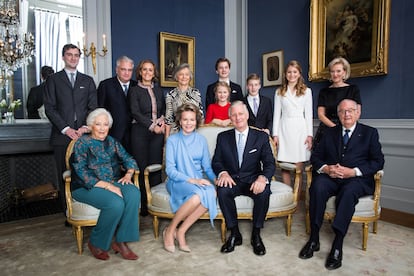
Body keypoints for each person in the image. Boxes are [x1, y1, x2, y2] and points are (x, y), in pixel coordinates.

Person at [299, 99, 384, 270]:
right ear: (338, 114)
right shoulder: (330, 132)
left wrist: (354, 172)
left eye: (350, 110)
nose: (346, 114)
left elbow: (378, 162)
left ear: (358, 112)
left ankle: (337, 243)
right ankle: (314, 238)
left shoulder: (370, 133)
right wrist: (326, 168)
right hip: (331, 176)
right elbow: (315, 157)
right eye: (342, 111)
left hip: (356, 180)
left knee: (348, 192)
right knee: (317, 186)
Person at [70, 108, 140, 261]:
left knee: (133, 193)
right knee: (115, 203)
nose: (102, 128)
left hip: (113, 181)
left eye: (105, 124)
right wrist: (108, 186)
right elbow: (81, 172)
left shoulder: (112, 142)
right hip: (86, 187)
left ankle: (121, 241)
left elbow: (129, 159)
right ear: (90, 126)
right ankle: (96, 243)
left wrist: (128, 174)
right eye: (98, 124)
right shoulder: (82, 143)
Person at [212, 101, 275, 256]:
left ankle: (256, 234)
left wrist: (263, 178)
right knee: (223, 190)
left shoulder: (260, 137)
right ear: (230, 118)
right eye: (233, 115)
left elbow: (269, 163)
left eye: (240, 114)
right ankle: (234, 233)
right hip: (232, 179)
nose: (237, 117)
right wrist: (222, 173)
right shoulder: (222, 137)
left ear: (247, 116)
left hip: (253, 179)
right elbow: (217, 161)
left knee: (264, 192)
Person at [44, 43, 97, 213]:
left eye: (76, 55)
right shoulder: (53, 79)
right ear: (63, 57)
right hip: (61, 137)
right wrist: (66, 129)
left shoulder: (87, 80)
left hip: (84, 136)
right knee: (64, 175)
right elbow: (49, 108)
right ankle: (68, 211)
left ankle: (87, 209)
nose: (73, 58)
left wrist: (83, 128)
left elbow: (93, 108)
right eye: (69, 55)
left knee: (85, 173)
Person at [163, 103, 217, 253]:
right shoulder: (173, 140)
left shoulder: (201, 140)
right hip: (177, 181)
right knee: (198, 195)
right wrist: (193, 181)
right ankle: (170, 230)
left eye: (192, 120)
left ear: (196, 121)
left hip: (197, 180)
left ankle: (181, 231)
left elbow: (207, 167)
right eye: (185, 119)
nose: (188, 123)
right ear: (180, 121)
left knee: (211, 192)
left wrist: (216, 180)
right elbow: (170, 170)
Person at [128, 59, 166, 216]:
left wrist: (161, 123)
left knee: (155, 168)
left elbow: (163, 108)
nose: (147, 73)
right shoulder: (134, 90)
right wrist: (152, 126)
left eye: (150, 70)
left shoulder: (158, 91)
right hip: (140, 131)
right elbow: (135, 112)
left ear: (154, 73)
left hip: (157, 132)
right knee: (142, 167)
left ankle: (155, 203)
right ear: (140, 72)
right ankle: (143, 205)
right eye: (145, 70)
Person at [272, 60, 313, 186]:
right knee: (285, 164)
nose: (292, 75)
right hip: (284, 129)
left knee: (298, 166)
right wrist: (275, 135)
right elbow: (277, 115)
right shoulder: (279, 92)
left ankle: (297, 195)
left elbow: (309, 115)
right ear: (285, 74)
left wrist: (310, 135)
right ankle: (288, 192)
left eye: (295, 72)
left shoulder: (307, 91)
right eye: (289, 72)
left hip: (301, 129)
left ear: (299, 74)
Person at [314, 57, 361, 147]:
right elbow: (321, 115)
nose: (335, 74)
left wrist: (345, 128)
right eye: (332, 71)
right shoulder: (324, 91)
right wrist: (336, 129)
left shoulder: (353, 89)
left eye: (338, 71)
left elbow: (357, 112)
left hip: (348, 128)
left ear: (344, 72)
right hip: (327, 130)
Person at [97, 56, 137, 152]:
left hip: (134, 135)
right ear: (116, 70)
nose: (126, 73)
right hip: (113, 134)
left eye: (129, 70)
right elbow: (100, 110)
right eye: (123, 69)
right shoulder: (105, 85)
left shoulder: (136, 86)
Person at [164, 63, 203, 138]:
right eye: (181, 74)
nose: (184, 77)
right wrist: (166, 140)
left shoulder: (196, 93)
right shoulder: (171, 95)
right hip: (175, 133)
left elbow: (200, 115)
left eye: (187, 74)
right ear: (176, 76)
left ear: (190, 77)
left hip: (193, 132)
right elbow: (168, 119)